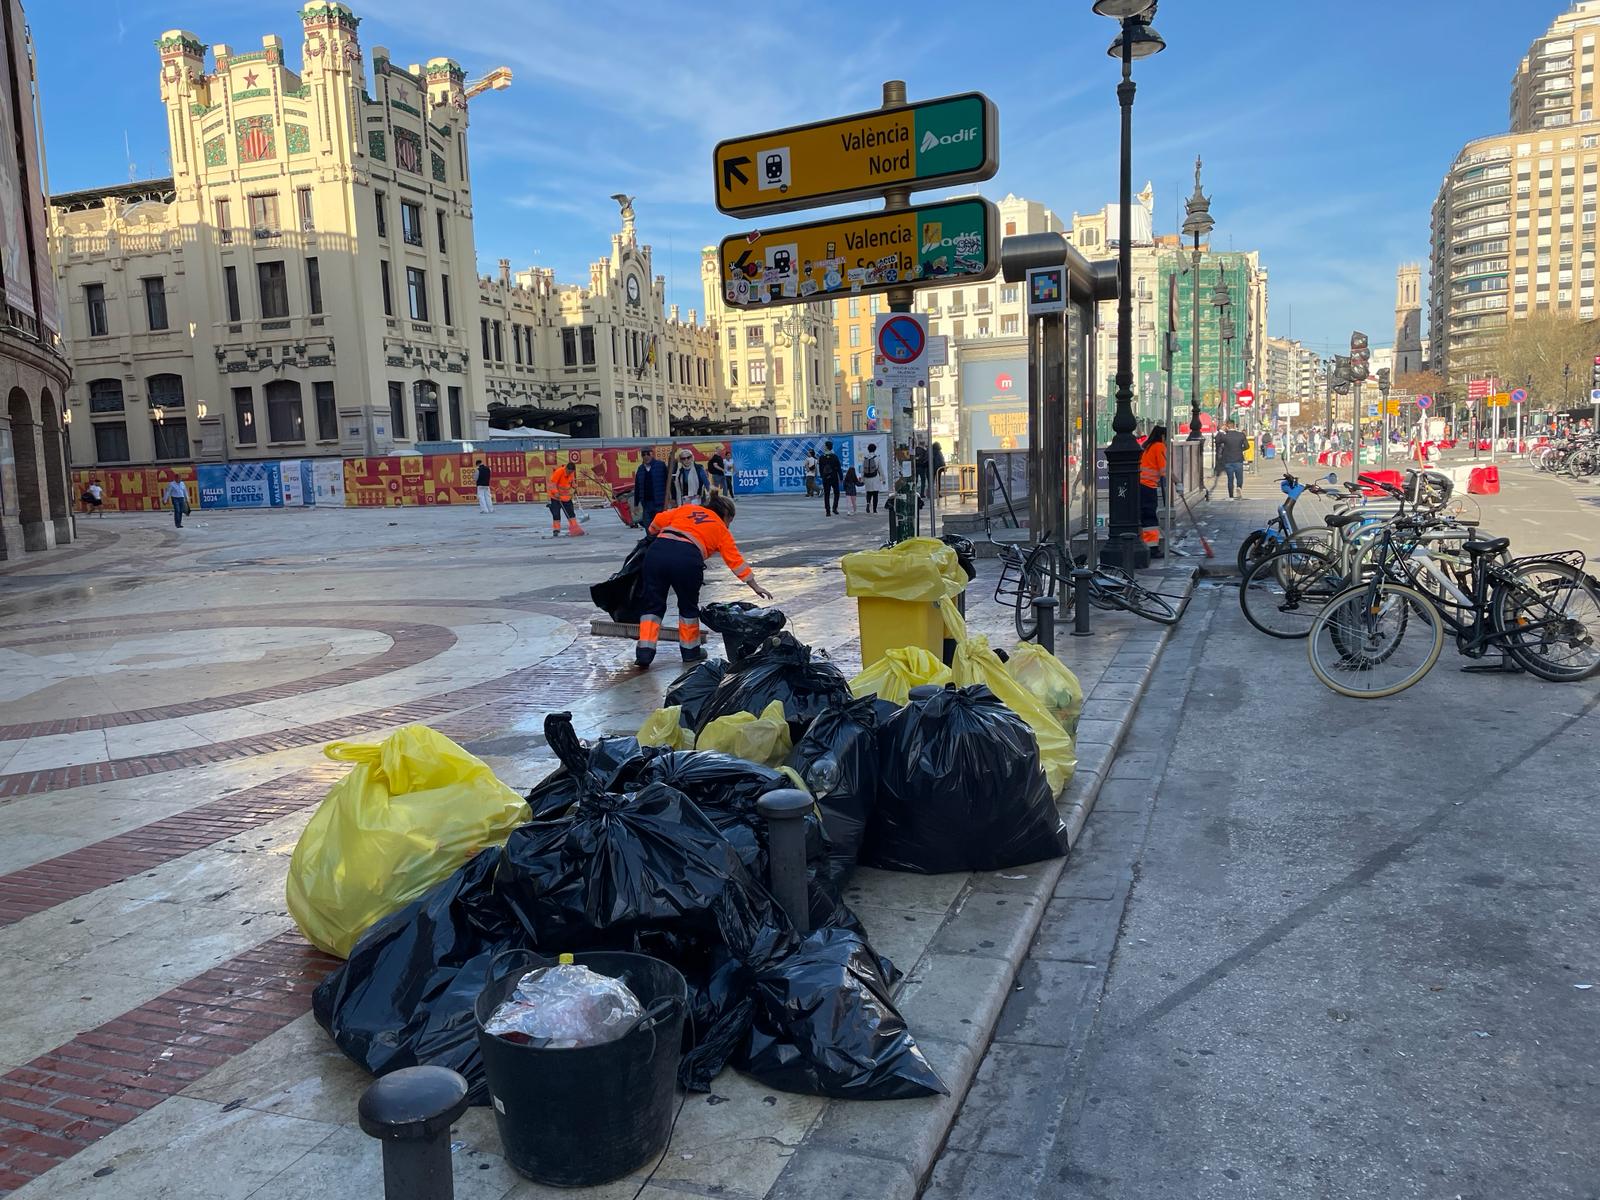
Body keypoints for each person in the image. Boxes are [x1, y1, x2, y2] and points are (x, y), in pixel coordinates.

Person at [636, 491, 773, 669]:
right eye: (730, 521)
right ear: (725, 515)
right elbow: (735, 561)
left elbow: (657, 522)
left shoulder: (688, 509)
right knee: (688, 607)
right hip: (686, 560)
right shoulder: (720, 527)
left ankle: (644, 653)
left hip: (656, 554)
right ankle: (690, 652)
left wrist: (653, 532)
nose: (729, 526)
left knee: (652, 606)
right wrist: (755, 586)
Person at [1139, 424, 1168, 559]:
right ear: (1162, 436)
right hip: (1148, 486)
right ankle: (1152, 548)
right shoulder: (1159, 446)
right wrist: (1177, 482)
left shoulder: (1147, 446)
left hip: (1139, 486)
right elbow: (1164, 471)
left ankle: (1146, 544)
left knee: (1143, 516)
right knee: (1150, 517)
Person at [547, 451, 584, 537]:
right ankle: (556, 529)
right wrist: (555, 493)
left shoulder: (571, 473)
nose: (570, 473)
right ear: (566, 469)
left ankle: (574, 527)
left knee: (571, 513)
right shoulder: (559, 472)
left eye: (571, 472)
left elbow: (571, 482)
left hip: (566, 497)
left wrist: (574, 486)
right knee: (556, 514)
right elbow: (552, 484)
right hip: (556, 497)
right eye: (569, 472)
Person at [1211, 418, 1250, 500]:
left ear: (1227, 426)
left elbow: (1217, 441)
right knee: (1239, 477)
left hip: (1228, 460)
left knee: (1230, 479)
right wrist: (1240, 450)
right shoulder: (1241, 435)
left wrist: (1221, 431)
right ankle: (1239, 488)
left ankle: (1231, 495)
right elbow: (1247, 446)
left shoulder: (1225, 436)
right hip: (1239, 459)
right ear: (1234, 425)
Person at [633, 446, 668, 530]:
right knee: (648, 525)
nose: (646, 456)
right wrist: (636, 504)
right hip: (646, 503)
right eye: (643, 455)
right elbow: (637, 487)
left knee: (660, 525)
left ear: (652, 454)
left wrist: (672, 498)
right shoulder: (640, 469)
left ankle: (658, 541)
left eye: (648, 454)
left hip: (659, 502)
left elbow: (669, 482)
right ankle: (651, 541)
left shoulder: (660, 465)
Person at [817, 439, 843, 516]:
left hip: (825, 478)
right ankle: (834, 508)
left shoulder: (822, 457)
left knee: (827, 494)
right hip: (834, 476)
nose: (823, 447)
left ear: (826, 447)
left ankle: (827, 511)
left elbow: (820, 468)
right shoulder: (834, 456)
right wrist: (841, 477)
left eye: (824, 446)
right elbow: (838, 467)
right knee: (836, 493)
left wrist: (822, 476)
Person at [862, 442, 884, 513]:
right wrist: (883, 478)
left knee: (868, 493)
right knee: (875, 494)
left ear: (868, 449)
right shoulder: (877, 458)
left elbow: (862, 470)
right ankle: (874, 510)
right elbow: (880, 469)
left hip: (867, 478)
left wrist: (863, 479)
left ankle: (868, 504)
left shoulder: (865, 458)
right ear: (875, 449)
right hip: (875, 478)